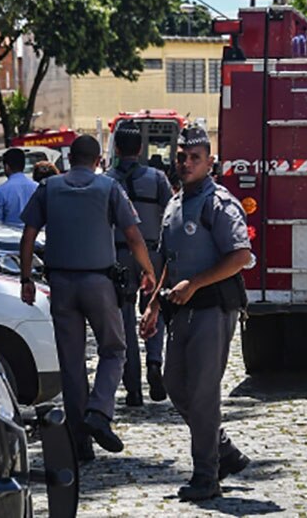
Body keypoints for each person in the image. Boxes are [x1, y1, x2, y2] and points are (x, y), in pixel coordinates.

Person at [19, 135, 156, 463]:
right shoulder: (109, 189)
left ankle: (80, 441)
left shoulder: (48, 188)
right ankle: (100, 410)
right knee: (114, 348)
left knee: (71, 363)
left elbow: (27, 236)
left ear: (69, 157)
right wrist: (148, 270)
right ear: (98, 161)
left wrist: (26, 279)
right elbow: (133, 234)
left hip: (61, 284)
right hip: (99, 282)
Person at [140, 125, 253, 501]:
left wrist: (196, 284)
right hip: (181, 311)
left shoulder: (218, 203)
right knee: (174, 384)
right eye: (182, 157)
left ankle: (207, 476)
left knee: (203, 394)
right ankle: (221, 448)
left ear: (210, 162)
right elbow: (171, 262)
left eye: (195, 158)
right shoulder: (175, 203)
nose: (186, 163)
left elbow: (240, 256)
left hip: (213, 309)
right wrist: (154, 304)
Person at [106, 121, 173, 407]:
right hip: (152, 254)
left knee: (123, 324)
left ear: (117, 149)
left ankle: (132, 387)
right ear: (141, 149)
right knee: (153, 310)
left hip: (118, 257)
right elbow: (171, 213)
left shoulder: (107, 181)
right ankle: (155, 361)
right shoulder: (157, 178)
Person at [0, 148, 37, 227]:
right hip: (35, 237)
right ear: (23, 165)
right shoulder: (37, 187)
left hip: (9, 237)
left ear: (6, 167)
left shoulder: (0, 191)